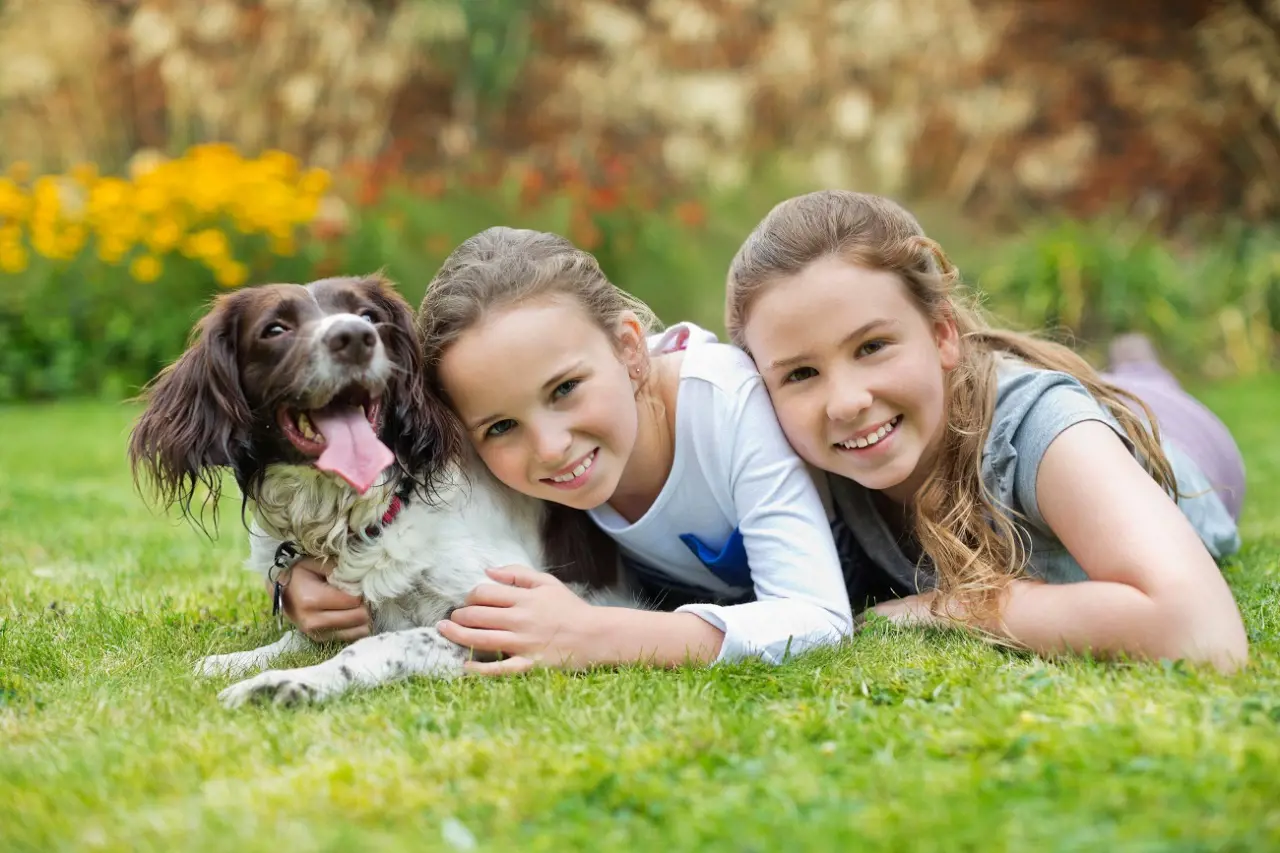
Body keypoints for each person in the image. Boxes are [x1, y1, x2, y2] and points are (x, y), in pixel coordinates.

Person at [281, 226, 855, 671]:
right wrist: (290, 583)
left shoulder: (725, 405)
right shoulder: (493, 444)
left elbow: (821, 616)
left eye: (566, 389)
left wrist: (596, 634)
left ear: (631, 348)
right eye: (501, 427)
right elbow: (394, 517)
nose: (551, 448)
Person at [723, 189, 1249, 672]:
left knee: (1136, 390)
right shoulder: (790, 455)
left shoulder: (1044, 432)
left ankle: (1141, 367)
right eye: (801, 374)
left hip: (1183, 436)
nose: (846, 403)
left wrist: (945, 606)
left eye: (872, 346)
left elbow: (1201, 632)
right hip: (997, 385)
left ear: (942, 333)